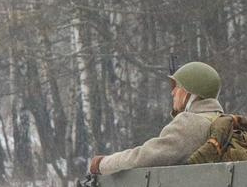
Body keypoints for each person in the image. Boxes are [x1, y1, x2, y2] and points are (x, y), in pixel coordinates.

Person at [90, 62, 225, 177]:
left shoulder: (190, 123)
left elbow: (144, 158)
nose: (173, 93)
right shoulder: (222, 122)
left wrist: (103, 163)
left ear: (189, 93)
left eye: (177, 87)